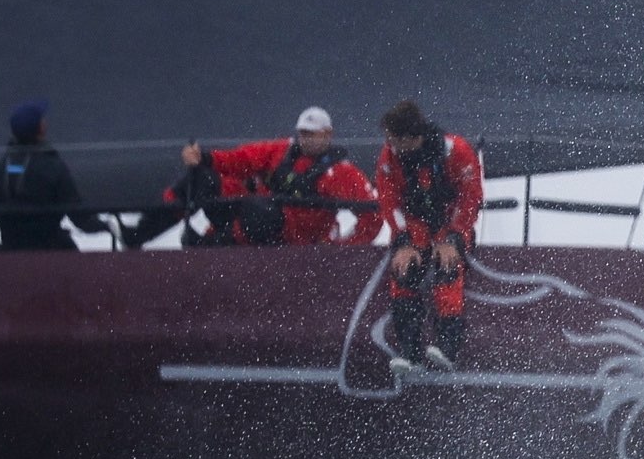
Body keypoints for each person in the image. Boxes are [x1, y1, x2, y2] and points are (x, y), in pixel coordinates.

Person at [371, 98, 486, 367]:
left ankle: (448, 345)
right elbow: (389, 201)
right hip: (414, 227)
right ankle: (409, 350)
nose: (389, 144)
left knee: (447, 266)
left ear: (411, 137)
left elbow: (470, 198)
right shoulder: (389, 157)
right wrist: (401, 241)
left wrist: (453, 238)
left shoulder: (454, 151)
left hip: (450, 221)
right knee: (404, 271)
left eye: (394, 138)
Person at [191, 108, 379, 248]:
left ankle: (216, 243)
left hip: (302, 242)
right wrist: (206, 159)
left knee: (261, 211)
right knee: (207, 180)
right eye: (303, 133)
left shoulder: (341, 172)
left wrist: (341, 247)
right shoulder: (281, 152)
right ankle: (205, 239)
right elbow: (243, 159)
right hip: (260, 229)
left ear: (328, 134)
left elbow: (372, 214)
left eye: (312, 134)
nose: (306, 139)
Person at [0, 101, 92, 255]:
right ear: (41, 128)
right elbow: (78, 215)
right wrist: (109, 225)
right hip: (51, 252)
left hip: (9, 253)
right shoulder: (53, 167)